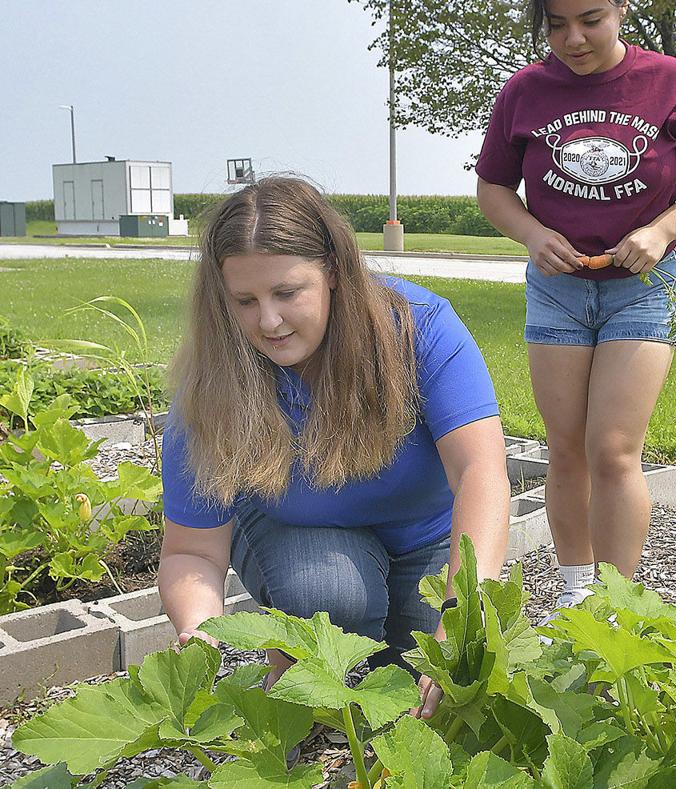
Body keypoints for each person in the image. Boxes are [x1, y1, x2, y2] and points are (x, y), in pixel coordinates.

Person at [157, 176, 510, 719]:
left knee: (434, 684)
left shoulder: (420, 328)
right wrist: (199, 633)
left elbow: (481, 475)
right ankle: (298, 644)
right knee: (330, 598)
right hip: (300, 539)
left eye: (286, 293)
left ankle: (305, 657)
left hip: (426, 540)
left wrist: (462, 616)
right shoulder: (212, 382)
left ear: (335, 274)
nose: (268, 321)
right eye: (245, 301)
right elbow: (193, 551)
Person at [475, 0, 676, 614]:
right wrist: (534, 235)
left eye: (590, 19)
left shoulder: (672, 82)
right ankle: (576, 595)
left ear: (622, 8)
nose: (573, 38)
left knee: (613, 449)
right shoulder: (524, 92)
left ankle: (619, 605)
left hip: (642, 287)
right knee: (565, 447)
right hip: (558, 288)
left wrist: (663, 230)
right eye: (556, 23)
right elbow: (493, 189)